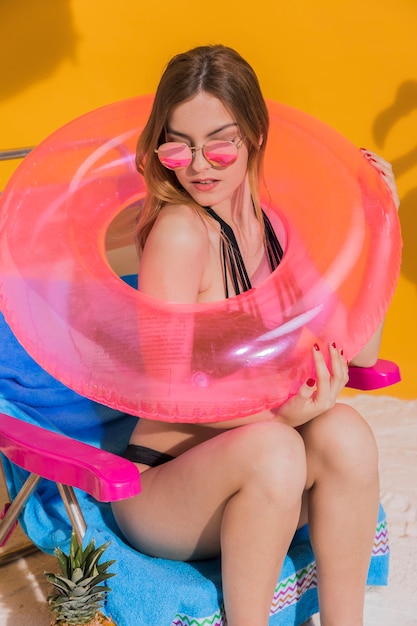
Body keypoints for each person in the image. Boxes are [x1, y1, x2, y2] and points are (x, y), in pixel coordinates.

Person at [112, 45, 399, 626]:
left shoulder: (273, 227)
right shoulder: (180, 232)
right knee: (276, 449)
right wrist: (282, 417)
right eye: (178, 143)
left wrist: (382, 225)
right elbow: (166, 390)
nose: (198, 165)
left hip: (262, 470)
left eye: (220, 141)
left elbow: (359, 349)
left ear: (256, 135)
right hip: (168, 489)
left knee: (344, 430)